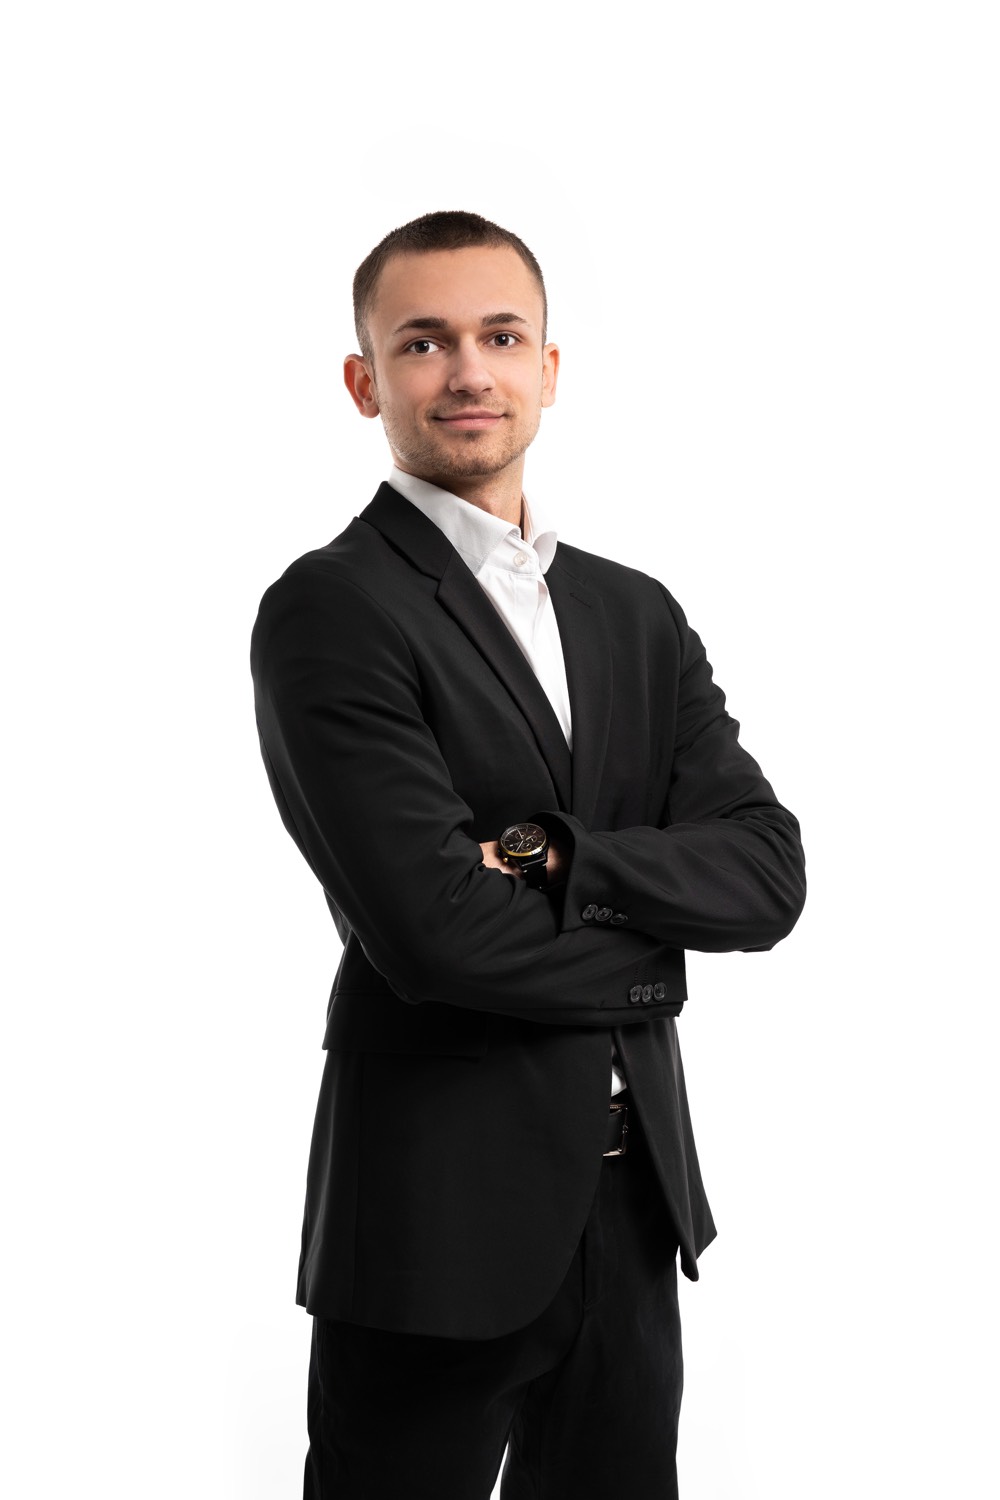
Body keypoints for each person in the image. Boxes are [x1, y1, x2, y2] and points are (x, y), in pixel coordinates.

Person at [250, 210, 806, 1499]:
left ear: (549, 368)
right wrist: (658, 959)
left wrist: (553, 859)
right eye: (424, 342)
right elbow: (436, 932)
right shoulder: (333, 607)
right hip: (434, 1222)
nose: (469, 372)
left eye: (501, 338)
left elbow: (767, 872)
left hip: (633, 1208)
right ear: (365, 382)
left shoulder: (635, 611)